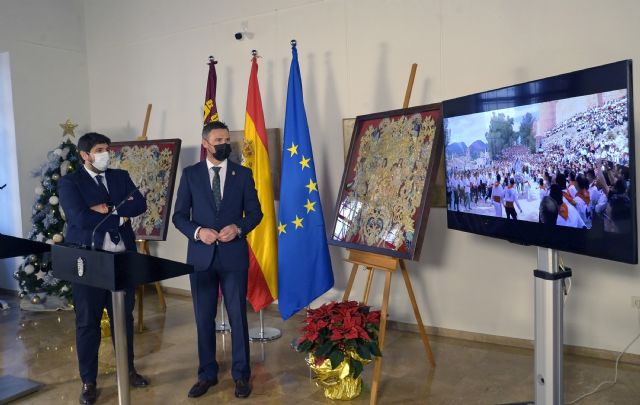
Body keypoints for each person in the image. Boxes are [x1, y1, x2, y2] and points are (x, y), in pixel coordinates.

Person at [172, 121, 263, 399]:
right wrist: (199, 232)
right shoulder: (190, 175)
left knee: (237, 316)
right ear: (205, 144)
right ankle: (207, 374)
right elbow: (178, 216)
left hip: (233, 256)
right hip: (201, 258)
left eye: (227, 139)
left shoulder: (243, 174)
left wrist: (238, 228)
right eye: (218, 140)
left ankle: (241, 375)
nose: (224, 144)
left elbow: (255, 213)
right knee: (203, 318)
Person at [58, 132, 148, 405]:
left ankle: (128, 369)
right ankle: (89, 380)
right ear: (85, 155)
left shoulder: (120, 177)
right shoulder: (70, 182)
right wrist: (119, 217)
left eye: (107, 149)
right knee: (88, 322)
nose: (105, 153)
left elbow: (140, 204)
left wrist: (105, 210)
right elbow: (80, 218)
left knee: (124, 319)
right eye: (99, 149)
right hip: (89, 262)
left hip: (123, 260)